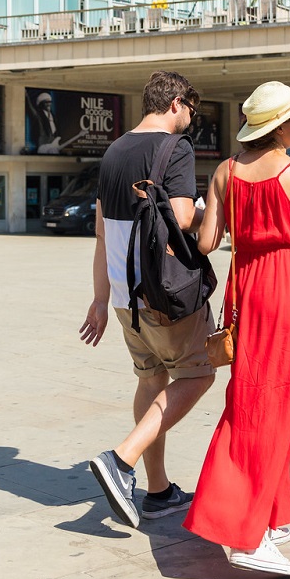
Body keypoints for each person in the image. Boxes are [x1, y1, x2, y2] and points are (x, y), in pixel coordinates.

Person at [184, 81, 290, 578]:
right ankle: (245, 532)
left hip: (244, 287)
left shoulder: (225, 171)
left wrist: (198, 212)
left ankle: (270, 512)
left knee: (255, 396)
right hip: (283, 289)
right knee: (271, 402)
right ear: (279, 126)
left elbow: (207, 243)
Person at [81, 71, 214, 528]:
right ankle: (122, 460)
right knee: (199, 374)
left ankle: (158, 491)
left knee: (151, 380)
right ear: (176, 103)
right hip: (163, 292)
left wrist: (100, 300)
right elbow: (181, 216)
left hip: (122, 295)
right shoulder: (174, 148)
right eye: (191, 111)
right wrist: (207, 210)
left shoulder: (114, 149)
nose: (190, 121)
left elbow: (101, 230)